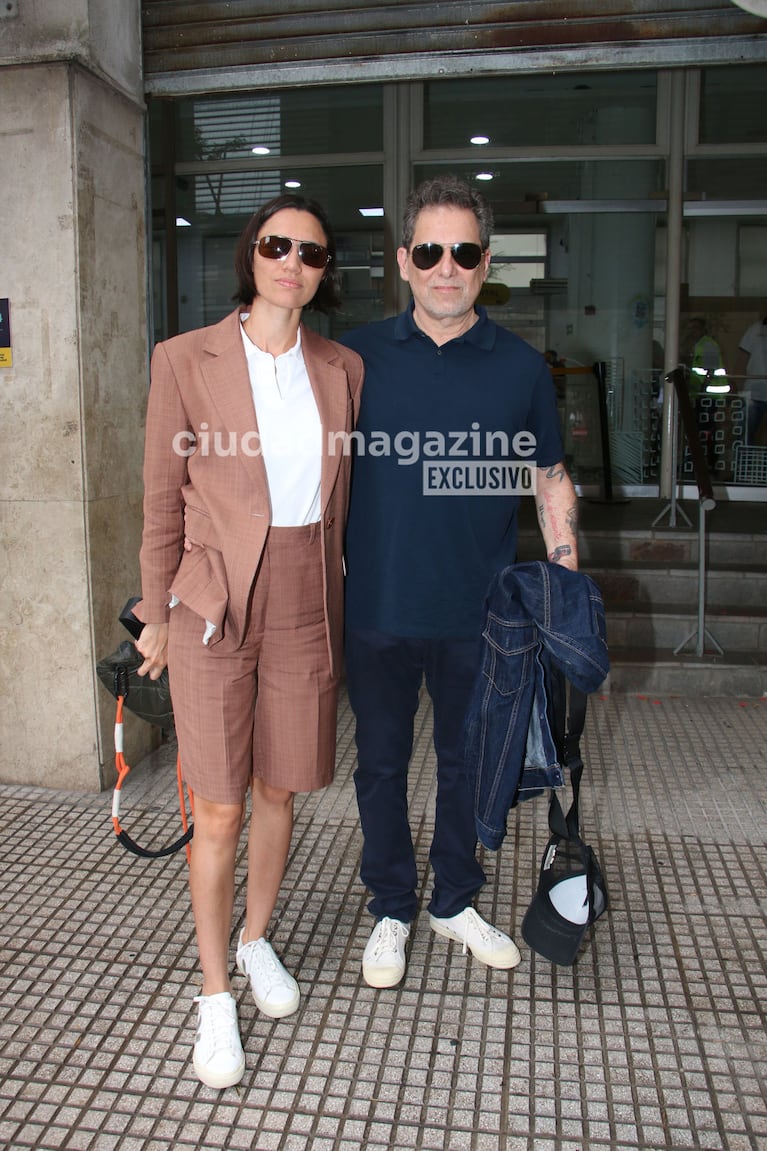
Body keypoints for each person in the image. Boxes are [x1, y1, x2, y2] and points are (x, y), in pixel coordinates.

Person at [133, 194, 364, 1089]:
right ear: (251, 255)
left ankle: (258, 936)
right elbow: (161, 494)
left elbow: (338, 501)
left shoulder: (340, 367)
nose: (291, 262)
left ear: (321, 270)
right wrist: (155, 610)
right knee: (219, 803)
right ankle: (214, 991)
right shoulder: (183, 358)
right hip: (214, 598)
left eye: (309, 252)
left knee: (280, 784)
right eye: (276, 244)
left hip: (307, 588)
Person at [340, 175, 579, 990]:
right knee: (377, 760)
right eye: (431, 251)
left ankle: (453, 897)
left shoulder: (518, 367)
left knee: (466, 758)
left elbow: (549, 476)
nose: (447, 267)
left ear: (484, 264)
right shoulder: (355, 357)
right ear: (404, 260)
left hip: (480, 610)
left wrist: (566, 582)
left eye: (464, 252)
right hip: (374, 602)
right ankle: (390, 905)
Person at [735, 313, 767, 444]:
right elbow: (742, 360)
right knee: (744, 435)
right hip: (752, 393)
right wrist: (739, 388)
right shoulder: (755, 329)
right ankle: (742, 464)